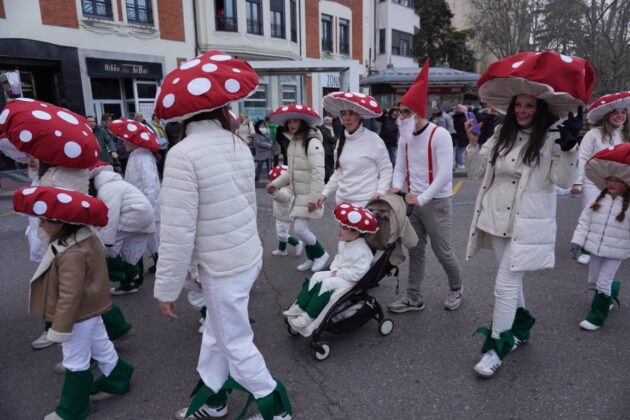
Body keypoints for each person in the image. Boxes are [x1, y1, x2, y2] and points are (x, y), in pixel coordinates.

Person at [153, 51, 292, 420]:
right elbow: (246, 204)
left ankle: (276, 408)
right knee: (216, 336)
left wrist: (167, 288)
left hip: (219, 266)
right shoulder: (236, 144)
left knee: (233, 342)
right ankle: (213, 401)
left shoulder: (183, 155)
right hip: (243, 256)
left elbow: (177, 231)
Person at [463, 51, 593, 378]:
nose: (522, 110)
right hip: (494, 218)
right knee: (511, 281)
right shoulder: (501, 134)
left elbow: (564, 181)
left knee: (505, 285)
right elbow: (476, 173)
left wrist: (570, 147)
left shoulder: (552, 139)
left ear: (540, 109)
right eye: (519, 105)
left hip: (527, 223)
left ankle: (496, 347)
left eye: (530, 105)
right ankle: (520, 327)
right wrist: (473, 142)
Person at [13, 186, 134, 420]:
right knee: (101, 346)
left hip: (77, 315)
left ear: (61, 223)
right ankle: (118, 377)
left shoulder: (71, 253)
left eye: (44, 221)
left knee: (75, 360)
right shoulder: (84, 238)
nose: (40, 225)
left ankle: (72, 410)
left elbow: (69, 295)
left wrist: (60, 328)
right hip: (91, 309)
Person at [386, 59, 464, 315]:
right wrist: (396, 187)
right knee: (415, 250)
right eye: (399, 112)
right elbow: (399, 167)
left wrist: (422, 198)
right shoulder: (405, 136)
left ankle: (456, 288)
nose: (400, 117)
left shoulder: (439, 135)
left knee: (443, 252)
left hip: (436, 202)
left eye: (405, 112)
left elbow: (445, 174)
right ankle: (413, 297)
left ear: (419, 112)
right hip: (412, 202)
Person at [283, 202, 376, 330]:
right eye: (341, 225)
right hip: (340, 273)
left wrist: (338, 273)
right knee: (316, 276)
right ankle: (300, 306)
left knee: (326, 284)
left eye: (344, 227)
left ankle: (308, 317)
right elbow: (338, 257)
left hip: (352, 280)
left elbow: (358, 274)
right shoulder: (344, 242)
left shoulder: (362, 252)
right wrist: (335, 269)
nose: (340, 229)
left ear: (355, 234)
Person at [267, 104, 329, 272]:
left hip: (308, 194)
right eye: (289, 122)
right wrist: (275, 184)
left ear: (303, 123)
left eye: (296, 121)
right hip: (297, 194)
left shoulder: (312, 142)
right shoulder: (294, 142)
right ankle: (312, 257)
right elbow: (291, 172)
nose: (292, 125)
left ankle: (321, 254)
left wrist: (313, 199)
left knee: (300, 229)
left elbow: (318, 172)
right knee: (302, 230)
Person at [570, 92, 630, 265]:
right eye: (615, 112)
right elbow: (583, 157)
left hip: (621, 182)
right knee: (593, 211)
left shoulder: (627, 134)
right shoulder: (594, 134)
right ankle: (586, 249)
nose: (620, 116)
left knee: (619, 214)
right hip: (594, 180)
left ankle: (611, 248)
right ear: (607, 115)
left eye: (623, 112)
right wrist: (578, 181)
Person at [571, 161, 630, 331]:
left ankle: (596, 316)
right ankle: (611, 291)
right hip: (595, 247)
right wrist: (577, 241)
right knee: (594, 280)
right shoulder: (596, 200)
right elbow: (584, 222)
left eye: (617, 180)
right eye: (609, 179)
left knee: (603, 283)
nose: (612, 183)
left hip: (616, 251)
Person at [317, 92, 393, 208]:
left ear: (360, 116)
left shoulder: (373, 140)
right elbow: (338, 172)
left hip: (365, 202)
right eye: (344, 114)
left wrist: (380, 191)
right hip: (342, 202)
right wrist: (325, 192)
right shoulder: (341, 140)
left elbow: (386, 169)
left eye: (351, 113)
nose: (347, 118)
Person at [91, 164, 155, 295]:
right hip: (145, 217)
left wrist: (107, 241)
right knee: (131, 252)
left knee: (109, 247)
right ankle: (131, 283)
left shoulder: (106, 189)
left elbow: (110, 215)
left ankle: (119, 275)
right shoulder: (117, 183)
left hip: (133, 216)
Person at [123, 137, 161, 278]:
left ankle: (158, 263)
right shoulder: (137, 156)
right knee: (151, 236)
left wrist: (150, 207)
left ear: (135, 142)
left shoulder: (142, 157)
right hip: (139, 204)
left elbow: (151, 184)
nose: (123, 143)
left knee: (150, 236)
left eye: (126, 140)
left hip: (145, 205)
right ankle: (158, 262)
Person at [268, 164, 304, 257]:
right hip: (283, 214)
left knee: (281, 234)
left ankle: (296, 243)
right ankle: (282, 249)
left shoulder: (286, 189)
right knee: (283, 231)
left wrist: (274, 192)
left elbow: (283, 196)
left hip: (284, 215)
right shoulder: (290, 186)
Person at [320, 116, 338, 183]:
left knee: (331, 166)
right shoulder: (324, 130)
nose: (331, 124)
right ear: (326, 123)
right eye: (329, 123)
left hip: (331, 151)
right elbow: (332, 139)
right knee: (328, 167)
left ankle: (330, 179)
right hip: (327, 151)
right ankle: (328, 180)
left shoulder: (330, 129)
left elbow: (335, 138)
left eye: (331, 123)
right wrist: (334, 137)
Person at [452, 104, 469, 169]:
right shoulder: (462, 118)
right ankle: (460, 163)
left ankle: (459, 162)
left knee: (459, 149)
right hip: (463, 135)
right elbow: (464, 128)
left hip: (460, 135)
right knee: (462, 149)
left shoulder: (457, 117)